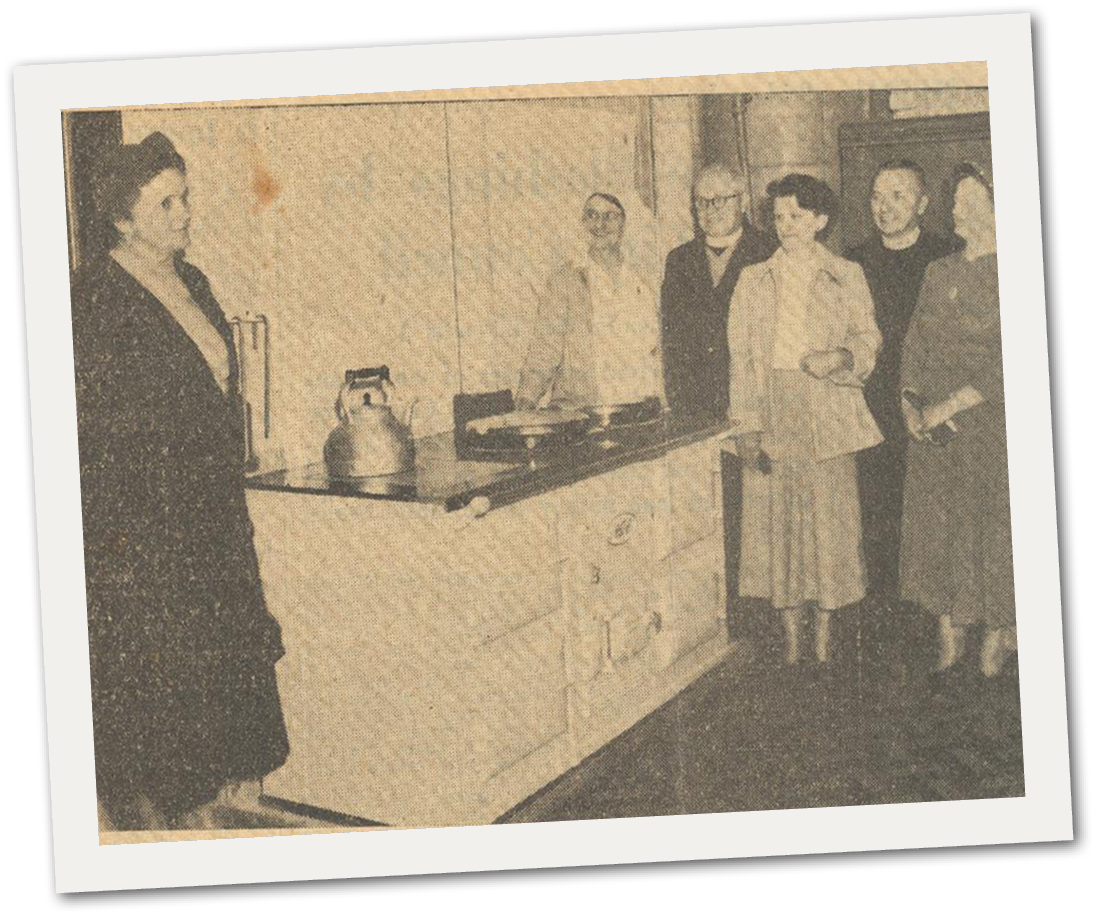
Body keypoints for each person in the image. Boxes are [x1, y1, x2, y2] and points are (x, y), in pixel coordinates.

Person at [71, 132, 290, 830]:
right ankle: (169, 819)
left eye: (185, 197)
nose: (184, 213)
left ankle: (215, 808)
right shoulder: (95, 298)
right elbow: (100, 429)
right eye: (165, 203)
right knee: (169, 672)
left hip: (211, 507)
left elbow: (215, 386)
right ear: (122, 218)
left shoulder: (192, 281)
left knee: (225, 657)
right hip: (149, 522)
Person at [728, 174, 883, 672]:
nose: (786, 225)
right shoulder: (752, 279)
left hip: (828, 411)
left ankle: (824, 643)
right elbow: (740, 361)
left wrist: (841, 356)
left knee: (828, 530)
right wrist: (746, 426)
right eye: (778, 216)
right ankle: (792, 644)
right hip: (772, 409)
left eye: (796, 215)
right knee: (779, 529)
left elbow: (868, 340)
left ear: (820, 220)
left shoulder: (847, 274)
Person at [899, 161, 1017, 680]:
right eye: (955, 202)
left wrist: (948, 407)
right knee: (939, 529)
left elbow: (1008, 360)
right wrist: (910, 402)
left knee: (988, 529)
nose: (958, 211)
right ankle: (949, 628)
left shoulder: (1015, 269)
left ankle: (997, 631)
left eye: (972, 202)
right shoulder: (938, 271)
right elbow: (914, 344)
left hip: (988, 425)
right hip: (934, 430)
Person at [845, 160, 956, 663]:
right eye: (877, 196)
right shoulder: (854, 261)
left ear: (923, 204)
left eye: (897, 195)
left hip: (930, 404)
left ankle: (936, 625)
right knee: (878, 514)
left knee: (931, 516)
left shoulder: (945, 256)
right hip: (872, 405)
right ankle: (887, 629)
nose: (884, 206)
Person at [515, 192, 663, 410]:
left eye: (609, 216)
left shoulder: (644, 278)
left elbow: (659, 349)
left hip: (641, 408)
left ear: (623, 223)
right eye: (592, 215)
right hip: (586, 412)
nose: (600, 225)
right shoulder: (565, 280)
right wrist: (525, 401)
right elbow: (544, 349)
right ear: (583, 222)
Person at [661, 163, 777, 423]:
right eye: (701, 202)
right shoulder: (679, 260)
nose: (710, 209)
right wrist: (680, 403)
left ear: (743, 202)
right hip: (696, 408)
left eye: (720, 200)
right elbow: (672, 341)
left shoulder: (770, 252)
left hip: (755, 402)